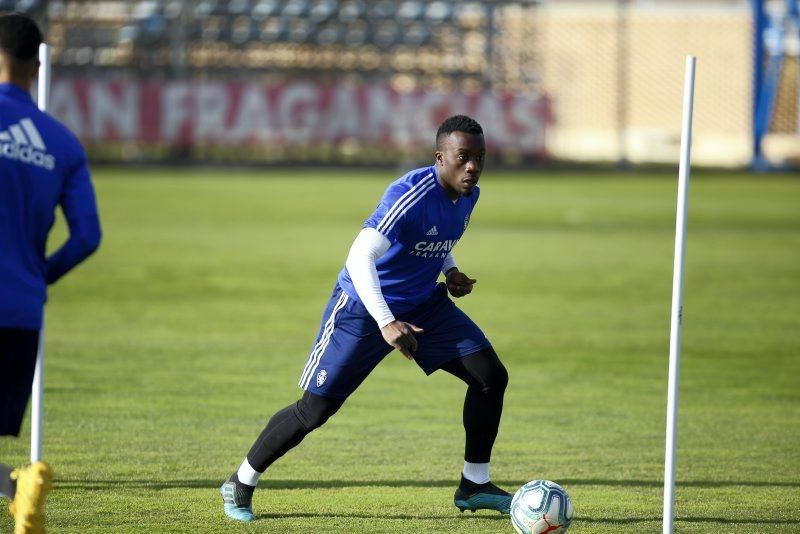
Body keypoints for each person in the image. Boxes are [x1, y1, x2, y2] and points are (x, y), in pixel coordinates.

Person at [221, 115, 511, 522]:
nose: (473, 167)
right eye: (463, 157)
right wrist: (386, 322)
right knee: (314, 411)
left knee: (489, 376)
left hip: (424, 304)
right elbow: (360, 257)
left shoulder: (468, 194)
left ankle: (474, 484)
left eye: (479, 158)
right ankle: (241, 480)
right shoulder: (407, 194)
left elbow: (435, 234)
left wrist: (450, 271)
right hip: (361, 307)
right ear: (439, 157)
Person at [0, 12, 102, 534]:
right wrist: (40, 278)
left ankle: (15, 488)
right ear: (37, 67)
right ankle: (16, 488)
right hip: (20, 310)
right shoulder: (60, 142)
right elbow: (87, 236)